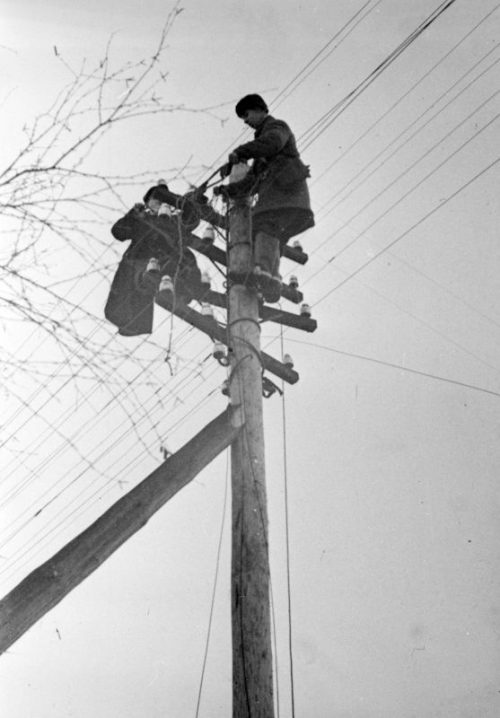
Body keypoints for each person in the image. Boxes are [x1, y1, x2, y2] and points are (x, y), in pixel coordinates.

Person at [227, 93, 314, 302]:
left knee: (264, 225)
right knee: (269, 233)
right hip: (284, 199)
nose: (246, 121)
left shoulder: (277, 128)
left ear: (259, 110)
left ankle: (263, 272)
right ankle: (271, 280)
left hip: (286, 194)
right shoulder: (262, 145)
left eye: (246, 115)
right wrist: (228, 191)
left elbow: (273, 143)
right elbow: (252, 181)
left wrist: (242, 151)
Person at [104, 182, 204, 336]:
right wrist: (132, 214)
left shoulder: (175, 220)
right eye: (153, 199)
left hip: (167, 259)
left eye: (162, 199)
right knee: (130, 301)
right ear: (147, 204)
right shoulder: (141, 219)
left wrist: (192, 200)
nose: (158, 202)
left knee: (187, 258)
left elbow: (191, 218)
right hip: (140, 261)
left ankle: (186, 292)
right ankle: (131, 322)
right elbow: (118, 232)